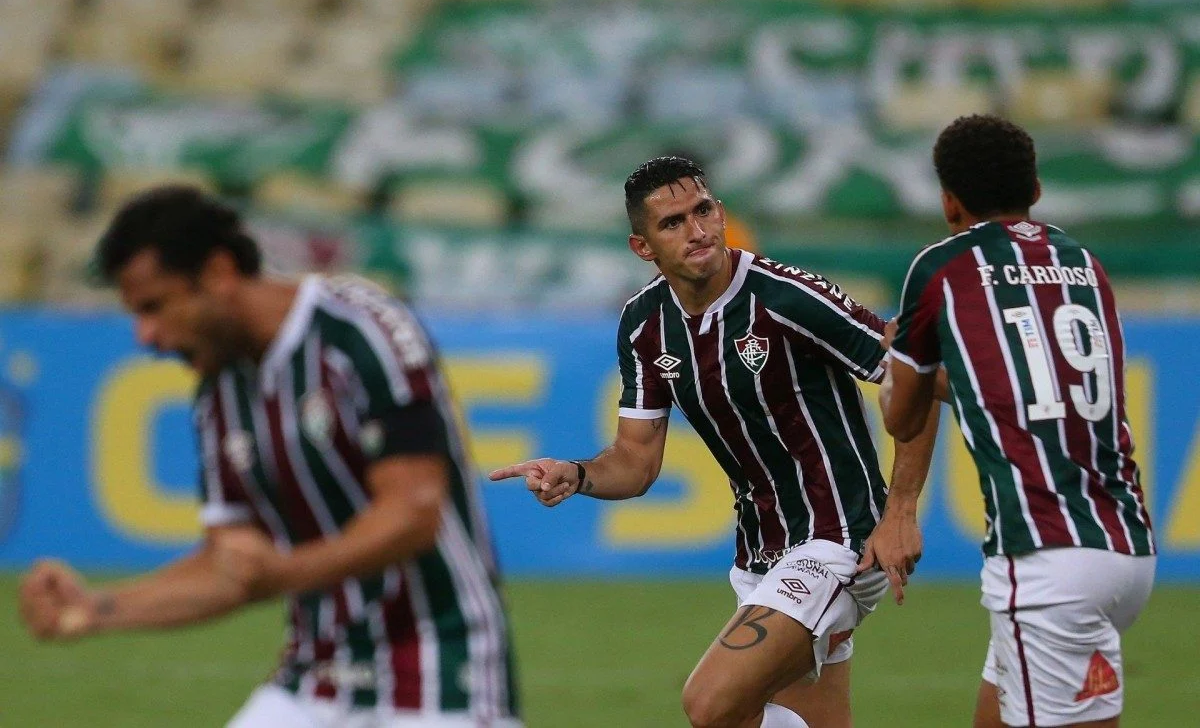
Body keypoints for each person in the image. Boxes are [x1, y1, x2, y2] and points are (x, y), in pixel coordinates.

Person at [17, 186, 521, 728]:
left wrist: (285, 572)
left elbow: (414, 513)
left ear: (216, 272)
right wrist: (94, 609)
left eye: (154, 307)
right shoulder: (217, 390)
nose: (146, 337)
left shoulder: (361, 331)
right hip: (314, 680)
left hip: (439, 673)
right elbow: (231, 565)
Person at [490, 156, 940, 728]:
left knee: (711, 702)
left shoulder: (787, 297)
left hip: (841, 537)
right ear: (642, 247)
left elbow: (915, 378)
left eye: (702, 211)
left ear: (720, 212)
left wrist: (900, 511)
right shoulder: (643, 324)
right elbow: (635, 460)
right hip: (760, 553)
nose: (697, 230)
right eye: (673, 222)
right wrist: (576, 475)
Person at [877, 114, 1156, 728]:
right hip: (1126, 544)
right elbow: (1030, 386)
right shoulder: (1084, 263)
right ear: (1035, 190)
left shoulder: (941, 268)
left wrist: (898, 374)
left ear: (950, 203)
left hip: (1046, 556)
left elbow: (903, 417)